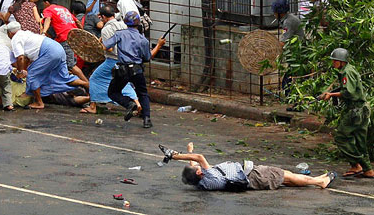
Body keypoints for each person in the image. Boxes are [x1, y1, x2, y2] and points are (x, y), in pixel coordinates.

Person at [159, 142, 337, 191]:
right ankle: (319, 182)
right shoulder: (209, 175)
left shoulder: (203, 182)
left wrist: (189, 150)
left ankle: (317, 179)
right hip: (253, 175)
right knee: (285, 175)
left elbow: (195, 162)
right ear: (199, 172)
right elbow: (199, 158)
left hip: (251, 178)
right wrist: (175, 156)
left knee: (285, 178)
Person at [6, 22, 89, 109]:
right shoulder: (26, 33)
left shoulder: (15, 39)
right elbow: (26, 59)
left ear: (10, 33)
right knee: (64, 77)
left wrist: (19, 72)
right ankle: (86, 84)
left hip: (49, 52)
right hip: (58, 48)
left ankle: (39, 103)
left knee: (32, 75)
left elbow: (20, 58)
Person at [104, 11, 166, 128]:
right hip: (137, 70)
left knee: (113, 92)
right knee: (142, 93)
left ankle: (129, 103)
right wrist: (158, 45)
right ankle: (147, 119)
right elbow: (148, 57)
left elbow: (106, 45)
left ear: (125, 22)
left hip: (122, 70)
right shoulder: (143, 40)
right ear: (138, 24)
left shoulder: (120, 34)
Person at [321, 48, 374, 178]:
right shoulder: (350, 69)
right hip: (363, 109)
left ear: (341, 61)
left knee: (341, 137)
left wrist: (332, 94)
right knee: (359, 140)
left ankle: (359, 165)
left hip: (355, 111)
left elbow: (348, 92)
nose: (333, 63)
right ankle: (366, 169)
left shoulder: (346, 72)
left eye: (335, 61)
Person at [80, 5, 139, 114]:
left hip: (112, 60)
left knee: (94, 78)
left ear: (103, 17)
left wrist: (98, 46)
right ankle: (138, 103)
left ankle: (93, 106)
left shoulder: (106, 29)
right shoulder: (123, 24)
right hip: (126, 58)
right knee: (122, 83)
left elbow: (109, 48)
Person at [41, 0, 88, 82]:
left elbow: (47, 19)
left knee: (71, 65)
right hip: (73, 37)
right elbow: (77, 21)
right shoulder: (64, 9)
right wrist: (82, 34)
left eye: (44, 3)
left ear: (47, 3)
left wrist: (43, 32)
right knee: (65, 63)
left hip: (65, 38)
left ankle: (87, 85)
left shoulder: (48, 9)